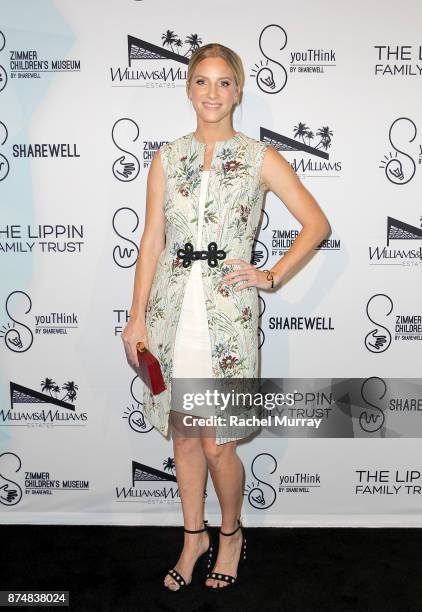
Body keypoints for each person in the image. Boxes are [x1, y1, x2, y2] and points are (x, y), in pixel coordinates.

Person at [121, 43, 330, 591]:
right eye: (201, 82)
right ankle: (193, 537)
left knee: (219, 443)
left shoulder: (260, 156)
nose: (211, 93)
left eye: (223, 83)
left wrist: (272, 274)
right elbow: (151, 241)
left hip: (228, 319)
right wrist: (135, 317)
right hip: (171, 315)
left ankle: (231, 534)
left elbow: (316, 224)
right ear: (188, 88)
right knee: (185, 438)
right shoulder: (167, 156)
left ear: (239, 91)